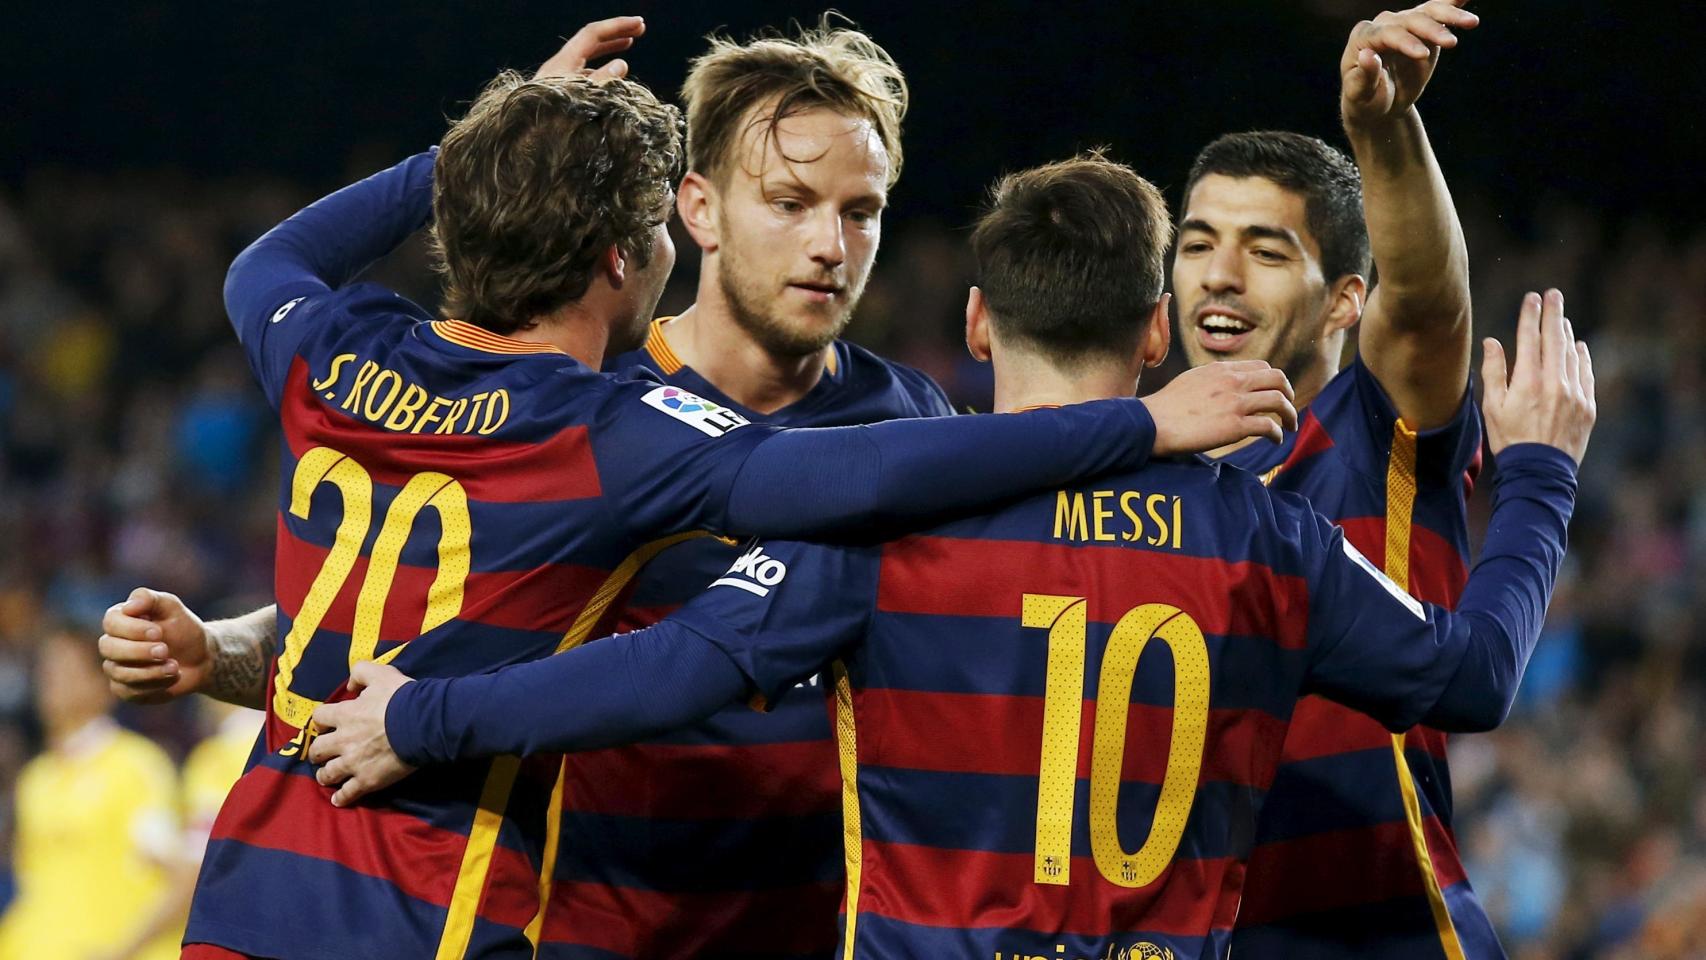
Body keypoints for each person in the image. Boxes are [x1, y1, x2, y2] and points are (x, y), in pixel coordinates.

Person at [97, 18, 1293, 960]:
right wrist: (226, 651)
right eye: (790, 203)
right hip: (569, 922)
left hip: (803, 926)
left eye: (861, 212)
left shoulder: (922, 432)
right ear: (694, 211)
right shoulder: (607, 412)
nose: (830, 245)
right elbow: (399, 629)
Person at [308, 153, 1595, 959]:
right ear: (1155, 333)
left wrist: (426, 716)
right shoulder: (1269, 536)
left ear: (977, 323)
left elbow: (668, 669)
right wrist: (1536, 474)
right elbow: (1473, 676)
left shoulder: (885, 529)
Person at [1168, 1, 1504, 953]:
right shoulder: (1133, 476)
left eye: (1266, 251)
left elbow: (1429, 305)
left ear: (1345, 302)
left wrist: (1383, 130)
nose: (1220, 275)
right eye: (1197, 243)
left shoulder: (1368, 436)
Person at [0, 627, 182, 960]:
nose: (52, 681)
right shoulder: (35, 779)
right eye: (46, 670)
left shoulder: (136, 767)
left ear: (103, 685)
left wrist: (122, 951)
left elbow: (182, 878)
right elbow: (32, 891)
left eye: (67, 669)